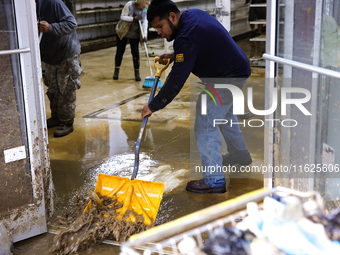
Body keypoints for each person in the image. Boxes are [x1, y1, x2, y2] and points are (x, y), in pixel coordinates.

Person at [142, 0, 252, 194]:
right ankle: (240, 155)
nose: (159, 32)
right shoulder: (191, 16)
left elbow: (177, 80)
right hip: (235, 69)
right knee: (223, 115)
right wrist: (176, 55)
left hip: (227, 77)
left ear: (172, 17)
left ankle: (214, 180)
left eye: (160, 26)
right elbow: (197, 44)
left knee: (205, 122)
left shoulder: (185, 38)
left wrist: (154, 105)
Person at [36, 0, 82, 137]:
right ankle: (56, 117)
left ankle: (67, 122)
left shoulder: (53, 3)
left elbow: (72, 24)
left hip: (66, 53)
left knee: (67, 88)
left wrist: (50, 27)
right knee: (53, 88)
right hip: (49, 55)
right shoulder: (28, 8)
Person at [113, 0, 149, 81]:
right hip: (123, 31)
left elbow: (145, 23)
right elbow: (122, 17)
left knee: (135, 52)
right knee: (120, 51)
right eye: (145, 3)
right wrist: (134, 19)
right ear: (141, 2)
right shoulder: (129, 5)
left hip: (134, 34)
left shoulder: (144, 10)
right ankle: (116, 72)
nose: (147, 5)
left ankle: (137, 73)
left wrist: (145, 36)